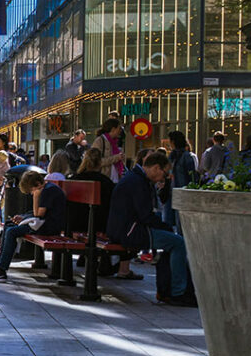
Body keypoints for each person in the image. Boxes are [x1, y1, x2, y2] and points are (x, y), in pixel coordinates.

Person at [107, 151, 195, 307]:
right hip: (132, 232)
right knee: (178, 243)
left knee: (173, 241)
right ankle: (178, 292)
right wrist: (166, 228)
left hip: (124, 229)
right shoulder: (138, 182)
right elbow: (146, 216)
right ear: (155, 168)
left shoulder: (134, 178)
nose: (164, 177)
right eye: (164, 173)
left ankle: (168, 289)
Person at [0, 169, 66, 283]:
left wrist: (36, 197)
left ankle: (1, 270)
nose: (31, 193)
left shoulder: (48, 191)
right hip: (43, 223)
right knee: (8, 226)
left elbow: (38, 214)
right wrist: (23, 217)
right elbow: (37, 214)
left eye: (31, 190)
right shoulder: (46, 188)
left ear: (38, 185)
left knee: (12, 232)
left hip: (49, 226)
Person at [72, 149, 139, 280]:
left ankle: (98, 261)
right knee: (129, 231)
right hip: (97, 227)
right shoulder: (104, 182)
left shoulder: (75, 178)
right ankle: (123, 270)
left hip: (76, 225)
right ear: (100, 163)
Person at [164, 131, 198, 229]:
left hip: (180, 191)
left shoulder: (184, 156)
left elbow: (191, 176)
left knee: (180, 223)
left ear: (173, 142)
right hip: (173, 191)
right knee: (170, 221)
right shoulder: (173, 156)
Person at [90, 118, 126, 183]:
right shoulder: (100, 141)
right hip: (104, 180)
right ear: (113, 129)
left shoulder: (115, 143)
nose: (120, 131)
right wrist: (116, 157)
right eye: (119, 128)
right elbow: (96, 162)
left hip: (115, 180)